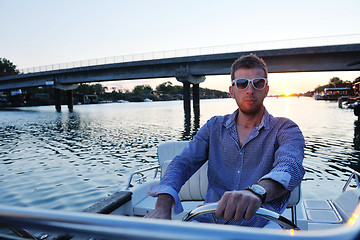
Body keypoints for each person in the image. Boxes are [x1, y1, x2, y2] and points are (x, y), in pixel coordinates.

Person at [145, 54, 305, 228]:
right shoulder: (214, 126)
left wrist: (257, 192)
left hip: (262, 222)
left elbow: (290, 166)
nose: (250, 90)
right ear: (232, 91)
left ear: (266, 90)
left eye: (257, 83)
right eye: (242, 83)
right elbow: (183, 163)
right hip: (211, 218)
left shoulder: (285, 128)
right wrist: (163, 205)